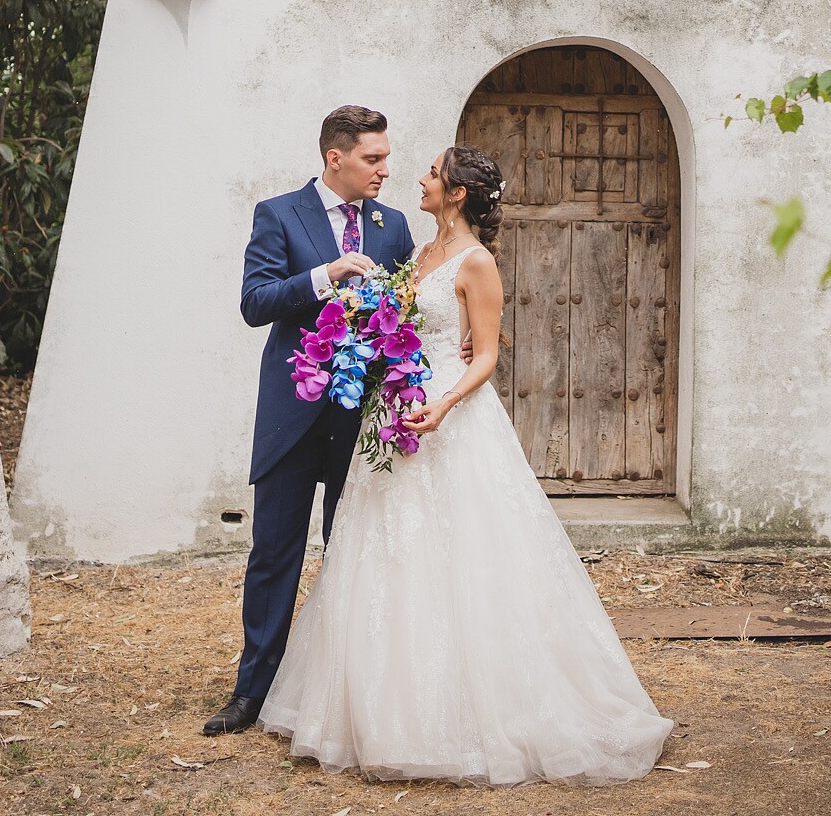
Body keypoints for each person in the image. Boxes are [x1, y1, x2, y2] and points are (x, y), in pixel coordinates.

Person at [259, 146, 674, 784]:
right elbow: (399, 326)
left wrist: (445, 404)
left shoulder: (477, 262)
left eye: (430, 173)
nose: (416, 180)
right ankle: (374, 701)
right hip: (392, 410)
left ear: (455, 194)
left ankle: (473, 708)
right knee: (384, 553)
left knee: (465, 552)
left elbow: (484, 358)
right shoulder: (418, 253)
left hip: (446, 419)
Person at [203, 106, 417, 738]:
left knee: (356, 555)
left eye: (385, 157)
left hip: (363, 422)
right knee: (275, 556)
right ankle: (252, 692)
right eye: (372, 158)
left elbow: (406, 315)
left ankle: (347, 697)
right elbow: (255, 303)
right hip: (293, 417)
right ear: (335, 159)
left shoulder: (393, 224)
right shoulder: (279, 214)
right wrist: (325, 276)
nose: (384, 169)